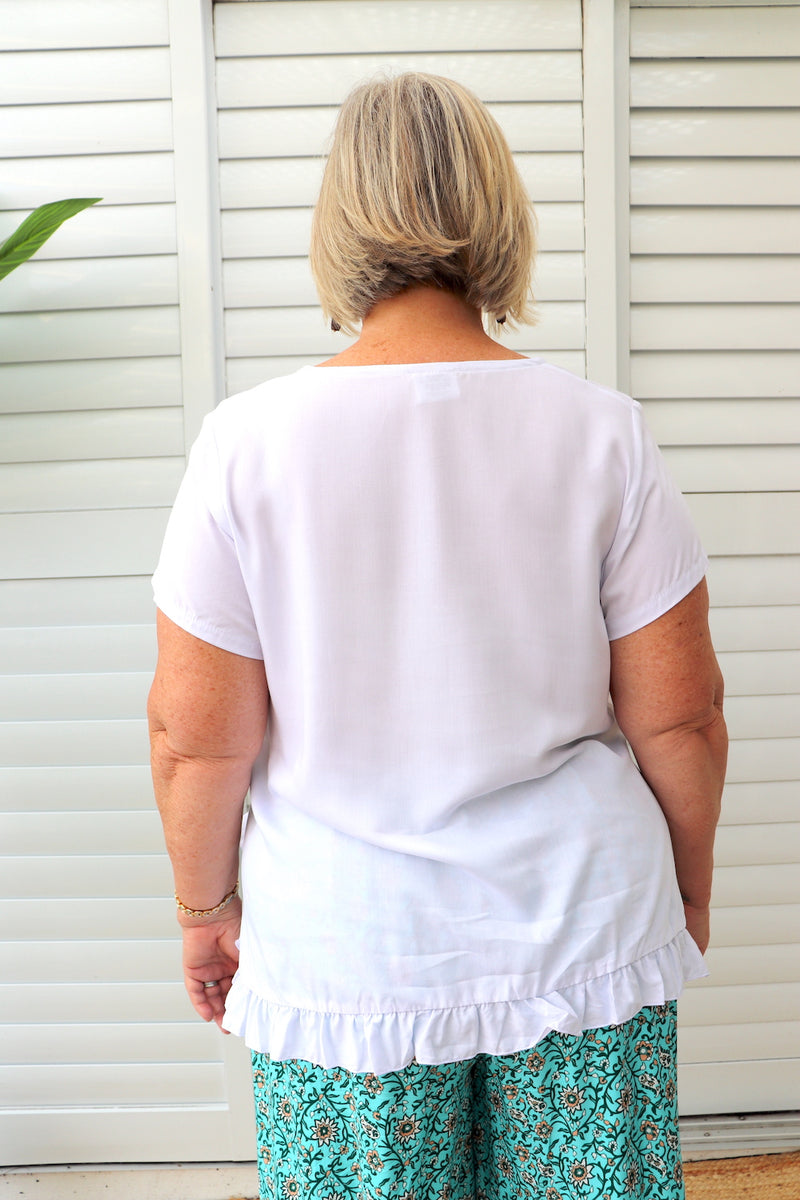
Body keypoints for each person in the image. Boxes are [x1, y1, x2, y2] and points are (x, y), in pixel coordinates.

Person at [148, 73, 727, 1200]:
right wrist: (686, 886)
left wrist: (203, 916)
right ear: (499, 212)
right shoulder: (601, 435)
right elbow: (681, 713)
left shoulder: (246, 445)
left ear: (335, 223)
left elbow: (194, 740)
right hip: (581, 932)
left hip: (344, 949)